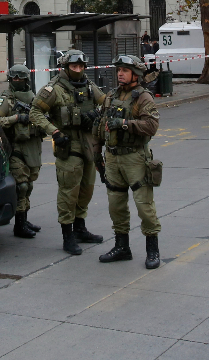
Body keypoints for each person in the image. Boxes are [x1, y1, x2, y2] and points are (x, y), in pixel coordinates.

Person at [30, 49, 107, 255]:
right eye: (74, 66)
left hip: (88, 145)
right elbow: (35, 112)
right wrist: (54, 132)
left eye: (81, 66)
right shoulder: (53, 88)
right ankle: (68, 235)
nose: (78, 70)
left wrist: (96, 115)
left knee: (86, 189)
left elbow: (106, 103)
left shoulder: (89, 85)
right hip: (68, 145)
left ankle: (80, 229)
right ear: (65, 67)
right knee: (68, 192)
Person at [96, 56, 162, 269]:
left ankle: (152, 250)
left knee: (144, 206)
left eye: (125, 70)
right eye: (119, 70)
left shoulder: (143, 98)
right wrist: (98, 156)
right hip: (113, 157)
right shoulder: (112, 96)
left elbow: (151, 126)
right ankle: (122, 247)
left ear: (136, 74)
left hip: (135, 158)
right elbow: (101, 127)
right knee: (116, 205)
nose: (120, 74)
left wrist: (124, 123)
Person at [0, 65, 46, 238]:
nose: (17, 81)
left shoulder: (33, 98)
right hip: (16, 147)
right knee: (21, 186)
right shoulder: (6, 99)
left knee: (28, 185)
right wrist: (16, 118)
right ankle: (19, 224)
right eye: (14, 78)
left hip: (33, 146)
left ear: (26, 79)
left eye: (20, 78)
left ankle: (24, 218)